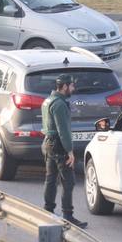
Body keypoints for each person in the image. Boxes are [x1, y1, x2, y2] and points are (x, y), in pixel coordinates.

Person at [41, 74, 87, 228]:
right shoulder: (60, 104)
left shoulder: (48, 101)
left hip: (48, 143)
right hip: (59, 145)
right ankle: (67, 215)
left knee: (51, 179)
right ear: (65, 86)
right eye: (71, 86)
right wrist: (70, 151)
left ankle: (47, 211)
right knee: (69, 181)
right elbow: (63, 130)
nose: (73, 88)